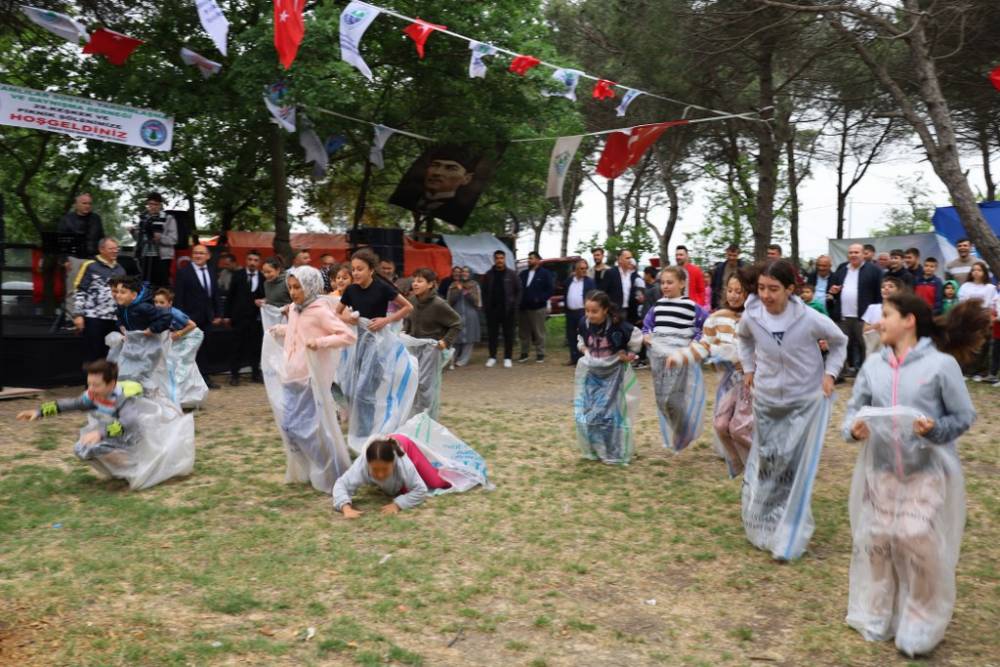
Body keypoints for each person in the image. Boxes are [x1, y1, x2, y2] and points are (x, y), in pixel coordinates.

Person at [842, 293, 985, 657]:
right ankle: (880, 610)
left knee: (914, 537)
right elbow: (854, 408)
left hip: (927, 470)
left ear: (909, 321)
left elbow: (963, 415)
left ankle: (922, 617)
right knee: (878, 540)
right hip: (881, 470)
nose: (879, 321)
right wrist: (853, 428)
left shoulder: (940, 366)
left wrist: (934, 429)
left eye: (886, 314)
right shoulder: (873, 366)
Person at [737, 260, 847, 561]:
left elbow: (840, 342)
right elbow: (743, 338)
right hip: (767, 400)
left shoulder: (810, 318)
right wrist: (749, 368)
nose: (767, 295)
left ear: (790, 289)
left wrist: (830, 374)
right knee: (771, 462)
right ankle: (765, 518)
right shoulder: (752, 316)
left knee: (796, 468)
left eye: (773, 289)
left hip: (804, 402)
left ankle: (789, 535)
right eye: (761, 288)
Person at [15, 359, 194, 490]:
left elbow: (128, 423)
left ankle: (134, 469)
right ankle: (123, 470)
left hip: (130, 436)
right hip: (112, 434)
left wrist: (100, 434)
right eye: (89, 384)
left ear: (112, 384)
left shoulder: (123, 398)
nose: (91, 389)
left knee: (93, 446)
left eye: (96, 385)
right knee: (82, 449)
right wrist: (39, 412)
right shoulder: (92, 396)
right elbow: (70, 404)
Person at [268, 266, 356, 493]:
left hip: (309, 378)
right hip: (291, 376)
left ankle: (331, 468)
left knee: (304, 428)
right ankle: (320, 465)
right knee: (290, 427)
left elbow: (347, 335)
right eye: (290, 287)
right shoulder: (296, 309)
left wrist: (321, 343)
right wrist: (283, 330)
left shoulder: (319, 310)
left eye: (297, 287)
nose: (293, 292)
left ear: (310, 287)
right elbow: (300, 331)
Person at [669, 269, 754, 475]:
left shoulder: (755, 319)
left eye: (739, 291)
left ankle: (760, 459)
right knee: (720, 424)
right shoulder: (716, 319)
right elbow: (703, 346)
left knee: (739, 428)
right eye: (730, 290)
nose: (734, 295)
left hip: (751, 383)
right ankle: (737, 461)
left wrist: (747, 362)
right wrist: (680, 357)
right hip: (728, 383)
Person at [574, 290, 643, 464]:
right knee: (589, 411)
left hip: (613, 375)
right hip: (593, 373)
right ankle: (597, 448)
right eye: (587, 311)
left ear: (605, 310)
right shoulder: (584, 323)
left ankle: (614, 451)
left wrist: (629, 354)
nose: (590, 315)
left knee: (609, 413)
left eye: (594, 311)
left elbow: (636, 338)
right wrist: (585, 350)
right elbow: (581, 340)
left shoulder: (618, 325)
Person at [643, 266, 705, 451]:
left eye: (670, 282)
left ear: (682, 283)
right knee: (662, 400)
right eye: (663, 282)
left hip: (679, 359)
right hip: (659, 359)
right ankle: (682, 430)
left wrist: (694, 343)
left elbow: (706, 326)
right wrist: (647, 335)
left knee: (673, 399)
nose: (665, 286)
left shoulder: (691, 307)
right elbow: (647, 324)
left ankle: (683, 431)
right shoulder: (658, 306)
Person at [333, 436, 451, 518]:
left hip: (407, 446)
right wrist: (346, 508)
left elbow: (421, 490)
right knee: (399, 488)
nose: (380, 475)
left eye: (384, 469)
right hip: (386, 446)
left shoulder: (402, 462)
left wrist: (398, 504)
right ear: (368, 463)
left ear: (393, 462)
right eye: (375, 470)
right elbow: (341, 484)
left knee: (436, 482)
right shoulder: (362, 463)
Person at [403, 268, 462, 418]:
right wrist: (405, 332)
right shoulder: (412, 301)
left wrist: (445, 341)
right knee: (413, 383)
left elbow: (457, 323)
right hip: (413, 348)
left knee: (426, 385)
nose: (415, 284)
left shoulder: (438, 304)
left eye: (420, 281)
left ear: (430, 284)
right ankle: (415, 418)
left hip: (432, 350)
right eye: (414, 280)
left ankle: (428, 419)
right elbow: (409, 320)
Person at [829, 243, 884, 376]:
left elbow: (879, 293)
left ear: (863, 254)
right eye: (851, 252)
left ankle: (867, 375)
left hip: (864, 317)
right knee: (841, 346)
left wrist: (878, 314)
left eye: (856, 252)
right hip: (843, 316)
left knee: (866, 347)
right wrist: (833, 291)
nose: (853, 255)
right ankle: (839, 374)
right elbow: (832, 290)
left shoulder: (874, 271)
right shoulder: (842, 269)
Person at [173, 244, 223, 388]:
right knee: (190, 349)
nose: (198, 256)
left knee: (205, 348)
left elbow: (215, 295)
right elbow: (179, 298)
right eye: (195, 253)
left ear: (208, 256)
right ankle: (188, 381)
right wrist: (180, 319)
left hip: (207, 317)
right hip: (189, 319)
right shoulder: (183, 272)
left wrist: (219, 313)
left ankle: (205, 378)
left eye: (201, 253)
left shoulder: (212, 271)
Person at [72, 237, 126, 363]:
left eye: (116, 248)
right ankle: (91, 382)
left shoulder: (121, 269)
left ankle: (110, 382)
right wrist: (78, 315)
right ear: (101, 250)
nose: (115, 251)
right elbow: (80, 290)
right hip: (93, 318)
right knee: (93, 354)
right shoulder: (90, 266)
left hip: (114, 319)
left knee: (113, 354)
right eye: (111, 248)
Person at [153, 288, 208, 408]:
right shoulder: (159, 314)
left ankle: (177, 396)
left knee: (181, 363)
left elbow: (192, 325)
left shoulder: (174, 313)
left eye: (162, 302)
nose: (158, 305)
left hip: (192, 336)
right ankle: (192, 396)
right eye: (156, 302)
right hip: (181, 338)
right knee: (176, 362)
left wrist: (179, 333)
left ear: (170, 303)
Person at [336, 249, 413, 330]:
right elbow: (336, 313)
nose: (355, 273)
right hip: (358, 335)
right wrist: (348, 319)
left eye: (360, 269)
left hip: (379, 336)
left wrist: (386, 320)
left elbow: (408, 307)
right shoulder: (350, 290)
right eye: (353, 269)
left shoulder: (382, 287)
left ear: (371, 270)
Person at [224, 250, 266, 386]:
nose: (252, 262)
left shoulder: (263, 277)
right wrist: (227, 315)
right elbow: (230, 296)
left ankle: (255, 373)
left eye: (255, 260)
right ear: (246, 261)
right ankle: (234, 375)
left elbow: (265, 295)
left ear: (259, 263)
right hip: (239, 317)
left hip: (256, 319)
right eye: (250, 259)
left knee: (256, 346)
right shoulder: (238, 275)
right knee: (237, 346)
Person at [481, 249, 521, 368]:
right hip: (492, 310)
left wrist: (515, 305)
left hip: (508, 310)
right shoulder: (488, 274)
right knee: (492, 335)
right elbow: (484, 292)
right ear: (494, 259)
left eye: (501, 258)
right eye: (497, 258)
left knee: (508, 335)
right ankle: (492, 357)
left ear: (504, 259)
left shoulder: (512, 274)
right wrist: (486, 307)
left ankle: (507, 358)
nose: (499, 260)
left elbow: (519, 291)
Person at [957, 261, 996, 380]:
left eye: (979, 270)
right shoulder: (965, 286)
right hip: (968, 318)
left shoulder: (990, 288)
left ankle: (980, 372)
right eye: (974, 270)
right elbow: (962, 302)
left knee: (982, 346)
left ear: (984, 272)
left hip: (983, 318)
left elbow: (990, 305)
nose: (976, 272)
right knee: (968, 345)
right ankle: (965, 371)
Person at [130, 192, 177, 288]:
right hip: (144, 256)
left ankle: (161, 302)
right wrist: (133, 232)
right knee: (145, 284)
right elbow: (139, 239)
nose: (153, 207)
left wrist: (161, 238)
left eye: (155, 204)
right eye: (150, 204)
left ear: (160, 205)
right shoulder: (143, 219)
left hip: (161, 258)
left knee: (160, 285)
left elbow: (174, 239)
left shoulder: (168, 218)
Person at [518, 251, 555, 363]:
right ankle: (524, 353)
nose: (529, 260)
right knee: (524, 332)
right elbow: (518, 288)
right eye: (529, 258)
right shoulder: (523, 274)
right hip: (523, 307)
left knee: (539, 331)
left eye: (532, 258)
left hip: (538, 308)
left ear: (538, 260)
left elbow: (550, 290)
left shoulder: (545, 274)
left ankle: (540, 353)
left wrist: (540, 299)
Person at [861, 276, 905, 358]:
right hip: (873, 350)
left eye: (891, 286)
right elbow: (865, 329)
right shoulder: (872, 308)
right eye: (883, 287)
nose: (886, 288)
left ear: (899, 291)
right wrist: (877, 326)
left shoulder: (901, 310)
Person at [447, 266, 481, 368]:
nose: (465, 273)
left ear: (470, 273)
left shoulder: (474, 285)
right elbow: (450, 301)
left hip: (470, 314)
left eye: (467, 272)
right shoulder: (453, 285)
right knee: (456, 337)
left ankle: (463, 360)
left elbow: (477, 301)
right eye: (463, 272)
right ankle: (453, 358)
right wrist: (458, 290)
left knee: (469, 338)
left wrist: (466, 292)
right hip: (456, 314)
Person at [563, 259, 596, 365]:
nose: (584, 270)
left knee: (584, 335)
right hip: (570, 312)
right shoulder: (569, 281)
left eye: (585, 268)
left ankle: (584, 358)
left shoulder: (589, 282)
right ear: (576, 269)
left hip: (583, 312)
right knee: (571, 335)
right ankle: (574, 358)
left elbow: (593, 296)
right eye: (581, 268)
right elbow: (565, 293)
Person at [599, 249, 643, 324]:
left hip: (630, 313)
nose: (631, 260)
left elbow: (638, 290)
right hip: (614, 312)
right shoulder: (610, 273)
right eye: (627, 258)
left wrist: (640, 296)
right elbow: (603, 293)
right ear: (619, 260)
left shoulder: (634, 275)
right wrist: (609, 310)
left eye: (631, 258)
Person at [57, 192, 105, 257]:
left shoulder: (96, 218)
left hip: (94, 258)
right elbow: (61, 242)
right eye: (84, 203)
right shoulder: (66, 219)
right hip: (74, 258)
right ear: (76, 204)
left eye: (90, 204)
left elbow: (102, 239)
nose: (88, 206)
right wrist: (64, 260)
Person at [710, 245, 744, 310]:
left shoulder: (744, 268)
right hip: (721, 304)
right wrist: (713, 305)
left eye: (734, 255)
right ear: (726, 254)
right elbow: (714, 287)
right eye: (729, 255)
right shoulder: (719, 268)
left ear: (738, 255)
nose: (731, 258)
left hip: (738, 303)